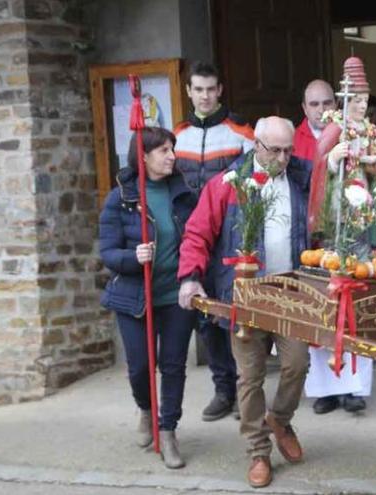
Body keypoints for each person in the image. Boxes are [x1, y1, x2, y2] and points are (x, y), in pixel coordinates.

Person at [177, 117, 311, 488]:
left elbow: (336, 180)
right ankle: (258, 452)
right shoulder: (226, 184)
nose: (283, 158)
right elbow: (197, 233)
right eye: (275, 150)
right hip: (245, 294)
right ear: (257, 146)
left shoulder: (301, 177)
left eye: (289, 150)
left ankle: (279, 420)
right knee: (250, 379)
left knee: (297, 365)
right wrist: (190, 277)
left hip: (291, 292)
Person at [99, 127, 198, 469]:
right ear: (143, 156)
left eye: (173, 149)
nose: (172, 156)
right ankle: (146, 408)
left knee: (173, 365)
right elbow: (107, 252)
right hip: (134, 298)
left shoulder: (183, 193)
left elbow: (197, 239)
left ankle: (168, 429)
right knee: (141, 365)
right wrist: (133, 257)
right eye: (164, 151)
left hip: (175, 296)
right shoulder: (121, 198)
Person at [174, 61, 255, 423]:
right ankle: (223, 389)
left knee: (236, 315)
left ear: (220, 90)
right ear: (188, 91)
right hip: (192, 239)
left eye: (211, 89)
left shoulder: (242, 133)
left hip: (232, 240)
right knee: (205, 319)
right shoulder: (176, 137)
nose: (205, 96)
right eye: (198, 89)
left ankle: (245, 388)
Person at [305, 57, 376, 413]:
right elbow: (322, 165)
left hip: (362, 219)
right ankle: (325, 388)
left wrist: (375, 167)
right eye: (357, 102)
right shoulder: (334, 130)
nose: (362, 108)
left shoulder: (369, 132)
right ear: (344, 101)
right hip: (336, 220)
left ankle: (354, 385)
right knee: (328, 303)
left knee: (359, 302)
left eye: (366, 103)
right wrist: (334, 158)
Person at [293, 79, 336, 169]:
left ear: (336, 104)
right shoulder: (292, 141)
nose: (321, 110)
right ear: (305, 108)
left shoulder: (349, 135)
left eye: (327, 103)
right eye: (314, 104)